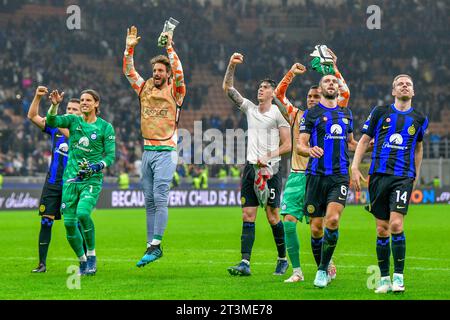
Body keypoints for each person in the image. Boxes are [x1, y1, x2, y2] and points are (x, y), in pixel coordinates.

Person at [273, 50, 351, 283]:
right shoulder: (297, 115)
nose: (312, 99)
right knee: (288, 223)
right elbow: (278, 94)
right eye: (309, 96)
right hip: (299, 177)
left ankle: (327, 264)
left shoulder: (336, 111)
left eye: (317, 96)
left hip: (324, 176)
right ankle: (297, 271)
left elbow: (343, 91)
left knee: (322, 226)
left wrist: (333, 68)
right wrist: (291, 74)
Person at [351, 74, 428, 293]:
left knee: (396, 225)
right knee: (382, 229)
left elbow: (419, 148)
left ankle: (399, 277)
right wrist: (355, 166)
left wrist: (416, 175)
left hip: (403, 177)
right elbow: (364, 140)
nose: (405, 86)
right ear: (393, 91)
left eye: (409, 84)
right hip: (378, 176)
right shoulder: (379, 112)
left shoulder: (419, 118)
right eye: (400, 84)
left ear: (413, 92)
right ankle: (384, 279)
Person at [223, 52, 291, 276]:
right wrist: (232, 65)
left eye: (264, 87)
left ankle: (282, 258)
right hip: (251, 169)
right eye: (259, 87)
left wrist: (269, 155)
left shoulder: (278, 114)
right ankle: (245, 263)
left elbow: (288, 144)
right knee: (247, 215)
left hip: (270, 171)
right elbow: (228, 89)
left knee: (272, 217)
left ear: (272, 92)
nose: (260, 89)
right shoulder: (250, 108)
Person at [123, 26, 186, 267]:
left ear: (168, 73)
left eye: (160, 70)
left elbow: (179, 72)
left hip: (166, 152)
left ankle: (157, 244)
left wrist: (169, 46)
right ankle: (151, 245)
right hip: (147, 151)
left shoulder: (177, 91)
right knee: (148, 200)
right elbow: (129, 72)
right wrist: (129, 48)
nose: (156, 73)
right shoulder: (145, 87)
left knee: (160, 196)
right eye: (154, 70)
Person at [46, 89, 116, 276]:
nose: (84, 102)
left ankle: (91, 255)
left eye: (88, 100)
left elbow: (110, 157)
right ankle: (82, 261)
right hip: (70, 180)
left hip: (91, 179)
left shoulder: (105, 127)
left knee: (83, 213)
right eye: (82, 100)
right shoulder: (73, 121)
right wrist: (54, 105)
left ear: (96, 103)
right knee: (69, 224)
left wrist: (97, 166)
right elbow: (52, 121)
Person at [297, 73, 358, 288]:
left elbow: (351, 143)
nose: (331, 84)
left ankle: (322, 271)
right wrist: (308, 150)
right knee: (315, 229)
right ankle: (322, 266)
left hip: (339, 176)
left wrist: (369, 146)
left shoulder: (346, 113)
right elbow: (300, 145)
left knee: (332, 220)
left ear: (338, 87)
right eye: (326, 81)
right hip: (315, 176)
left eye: (334, 81)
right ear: (321, 88)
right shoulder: (311, 114)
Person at [27, 86, 85, 273]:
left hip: (73, 184)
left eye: (74, 110)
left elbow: (71, 133)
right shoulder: (56, 129)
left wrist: (55, 116)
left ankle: (86, 262)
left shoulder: (84, 132)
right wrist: (37, 97)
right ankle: (42, 264)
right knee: (46, 221)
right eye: (68, 109)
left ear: (82, 113)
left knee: (74, 223)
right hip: (52, 182)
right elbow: (32, 117)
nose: (70, 112)